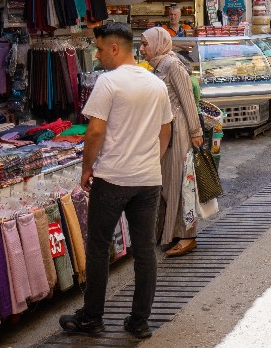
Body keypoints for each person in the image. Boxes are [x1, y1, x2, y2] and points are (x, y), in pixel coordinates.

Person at [60, 22, 172, 339]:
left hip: (112, 179)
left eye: (98, 49)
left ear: (114, 48)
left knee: (98, 249)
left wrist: (86, 168)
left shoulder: (109, 83)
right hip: (148, 180)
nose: (96, 56)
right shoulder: (155, 84)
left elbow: (95, 131)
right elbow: (165, 131)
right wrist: (152, 160)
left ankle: (92, 318)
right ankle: (139, 321)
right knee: (145, 250)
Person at [141, 27, 205, 258]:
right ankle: (171, 233)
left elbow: (188, 99)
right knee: (169, 185)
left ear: (158, 44)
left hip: (179, 134)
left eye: (145, 44)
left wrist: (196, 131)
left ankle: (187, 236)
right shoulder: (159, 66)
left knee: (180, 185)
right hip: (166, 133)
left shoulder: (172, 65)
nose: (142, 48)